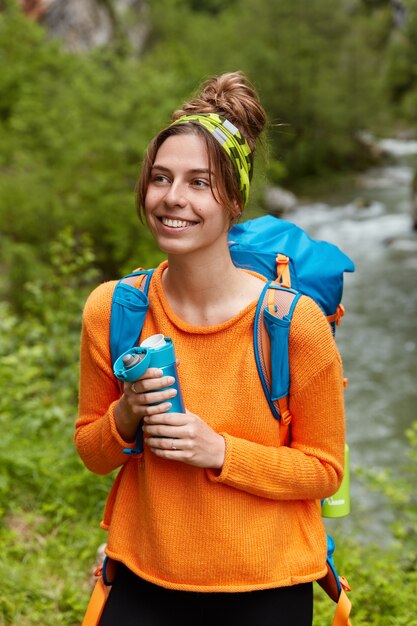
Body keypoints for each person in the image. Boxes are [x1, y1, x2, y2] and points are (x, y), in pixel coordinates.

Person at [75, 71, 346, 626]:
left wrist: (219, 452)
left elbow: (325, 471)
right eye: (161, 178)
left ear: (234, 199)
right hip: (143, 579)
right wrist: (126, 413)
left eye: (200, 182)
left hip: (269, 588)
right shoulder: (114, 309)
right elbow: (92, 453)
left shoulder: (293, 325)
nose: (173, 198)